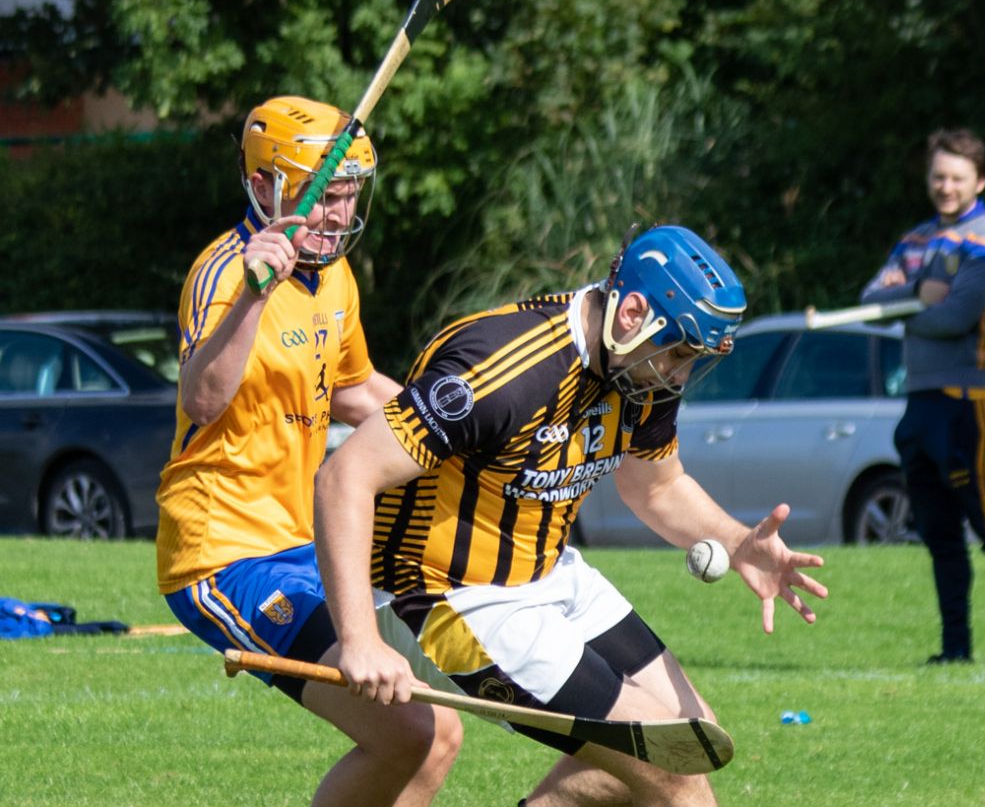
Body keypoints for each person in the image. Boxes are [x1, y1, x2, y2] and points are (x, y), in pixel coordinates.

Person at [312, 224, 829, 806]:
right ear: (632, 311)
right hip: (443, 596)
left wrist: (737, 544)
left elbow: (655, 487)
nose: (679, 376)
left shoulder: (642, 364)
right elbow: (343, 477)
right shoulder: (500, 371)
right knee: (672, 769)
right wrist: (358, 639)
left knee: (694, 738)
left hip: (549, 574)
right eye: (681, 355)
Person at [155, 95, 462, 805]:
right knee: (408, 729)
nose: (337, 212)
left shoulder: (336, 278)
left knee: (438, 730)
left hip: (301, 543)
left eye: (348, 194)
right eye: (323, 195)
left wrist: (455, 430)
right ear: (265, 186)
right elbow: (202, 398)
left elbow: (353, 389)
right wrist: (255, 298)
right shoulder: (226, 272)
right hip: (222, 554)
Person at [861, 129, 985, 664]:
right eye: (939, 176)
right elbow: (870, 300)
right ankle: (955, 647)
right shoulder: (915, 241)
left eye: (957, 177)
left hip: (970, 402)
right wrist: (914, 296)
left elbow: (956, 318)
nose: (946, 186)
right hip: (921, 400)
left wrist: (909, 313)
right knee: (937, 531)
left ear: (979, 181)